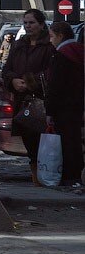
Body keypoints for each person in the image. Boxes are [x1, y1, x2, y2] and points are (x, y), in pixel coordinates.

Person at [0, 8, 55, 184]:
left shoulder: (48, 46)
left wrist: (31, 82)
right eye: (25, 23)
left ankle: (44, 176)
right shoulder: (19, 45)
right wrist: (14, 80)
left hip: (40, 100)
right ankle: (36, 177)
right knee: (28, 140)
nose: (28, 26)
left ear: (41, 24)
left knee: (42, 139)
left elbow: (51, 73)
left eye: (31, 23)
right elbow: (7, 69)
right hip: (21, 101)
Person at [45, 21, 83, 187]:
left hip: (63, 106)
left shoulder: (61, 55)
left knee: (65, 141)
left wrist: (49, 110)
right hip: (77, 104)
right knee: (74, 140)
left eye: (52, 36)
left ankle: (67, 176)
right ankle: (75, 174)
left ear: (60, 36)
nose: (50, 40)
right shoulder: (79, 51)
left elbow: (55, 85)